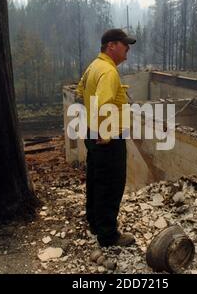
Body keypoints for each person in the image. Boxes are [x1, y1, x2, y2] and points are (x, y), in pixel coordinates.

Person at [76, 29, 136, 247]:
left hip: (93, 134)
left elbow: (81, 90)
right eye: (124, 44)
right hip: (108, 138)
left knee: (96, 180)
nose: (127, 48)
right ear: (111, 45)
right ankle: (108, 235)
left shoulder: (94, 66)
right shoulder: (109, 72)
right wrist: (106, 133)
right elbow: (102, 103)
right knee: (111, 185)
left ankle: (94, 222)